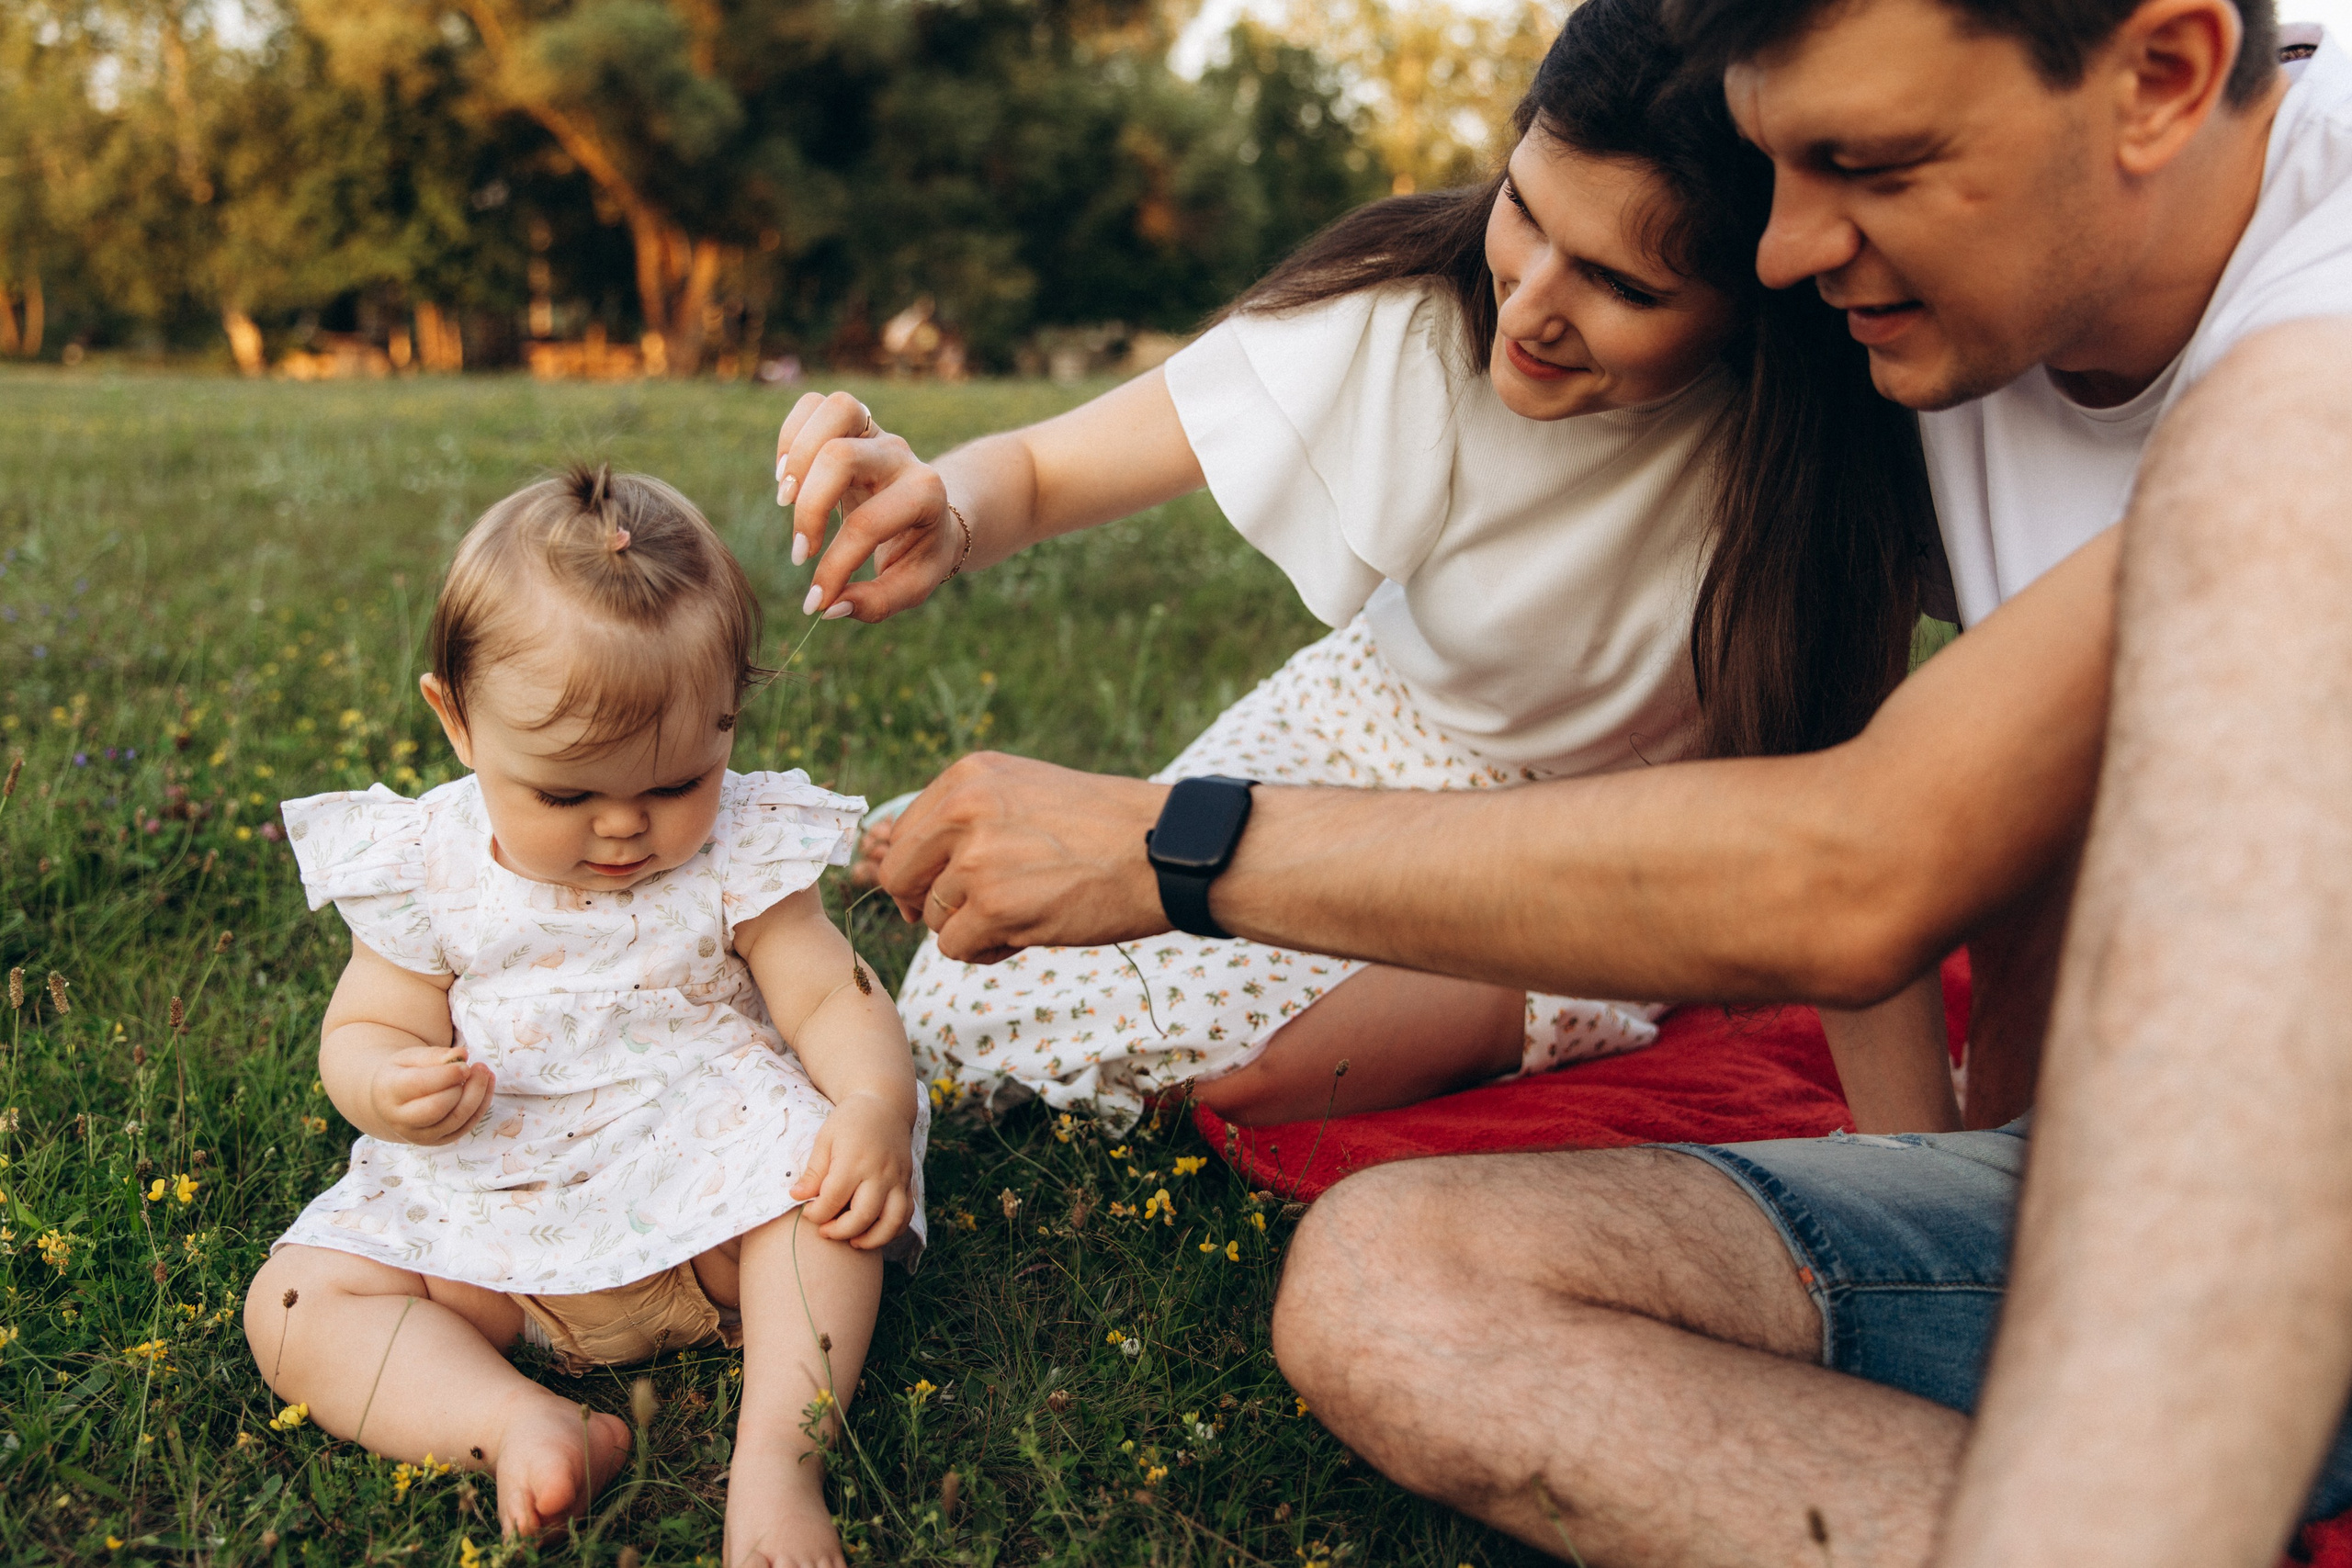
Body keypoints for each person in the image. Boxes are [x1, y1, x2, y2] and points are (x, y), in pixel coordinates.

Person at [877, 1, 2352, 1563]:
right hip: (2146, 1176)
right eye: (1778, 163)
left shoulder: (2305, 370)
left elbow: (1866, 859)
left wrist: (1173, 845)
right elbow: (2030, 802)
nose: (1778, 251)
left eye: (1861, 161)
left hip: (2284, 1198)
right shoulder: (1979, 308)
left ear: (2167, 76)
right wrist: (1969, 1143)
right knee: (1391, 1289)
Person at [775, 0, 1960, 1136]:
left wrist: (1923, 1173)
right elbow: (1037, 468)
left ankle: (1576, 992)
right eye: (1528, 213)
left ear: (1763, 303)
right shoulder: (1414, 313)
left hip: (1612, 837)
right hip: (1371, 733)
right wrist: (949, 508)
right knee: (971, 1010)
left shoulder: (1827, 471)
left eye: (1620, 284)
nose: (1532, 307)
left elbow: (1854, 800)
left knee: (1261, 1076)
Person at [243, 466, 924, 1568]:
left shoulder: (743, 845)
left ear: (728, 724)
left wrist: (871, 1102)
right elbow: (366, 1025)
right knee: (292, 1301)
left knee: (824, 1207)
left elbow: (826, 993)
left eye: (675, 784)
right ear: (455, 722)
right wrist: (385, 1085)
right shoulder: (425, 863)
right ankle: (518, 1423)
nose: (623, 829)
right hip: (495, 1228)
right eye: (566, 794)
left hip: (713, 1202)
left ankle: (776, 1468)